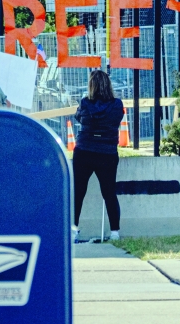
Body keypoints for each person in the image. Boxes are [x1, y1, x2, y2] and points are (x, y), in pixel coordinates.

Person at [71, 70, 124, 243]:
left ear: (91, 86)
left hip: (84, 150)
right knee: (109, 193)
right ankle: (115, 232)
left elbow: (79, 117)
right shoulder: (117, 104)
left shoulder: (85, 103)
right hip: (107, 152)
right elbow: (117, 119)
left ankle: (73, 231)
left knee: (78, 193)